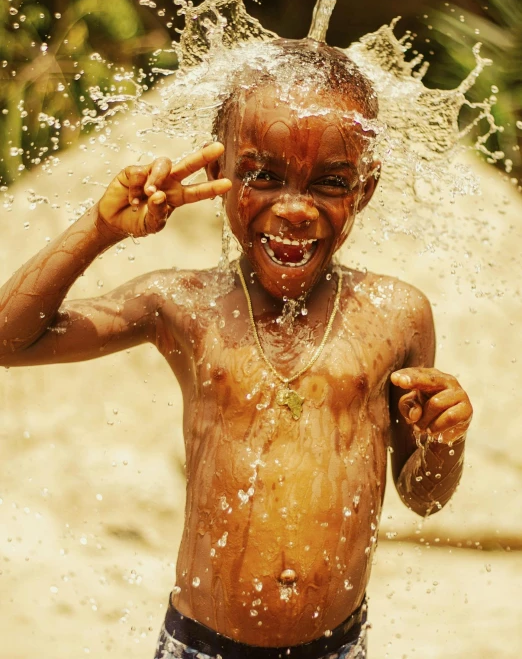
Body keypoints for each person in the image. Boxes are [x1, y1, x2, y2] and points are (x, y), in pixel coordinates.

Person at [0, 40, 472, 659]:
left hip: (337, 648)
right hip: (201, 647)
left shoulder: (395, 316)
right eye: (263, 177)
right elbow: (11, 340)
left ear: (366, 187)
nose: (296, 209)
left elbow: (423, 496)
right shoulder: (182, 305)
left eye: (330, 183)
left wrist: (445, 440)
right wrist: (102, 229)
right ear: (219, 176)